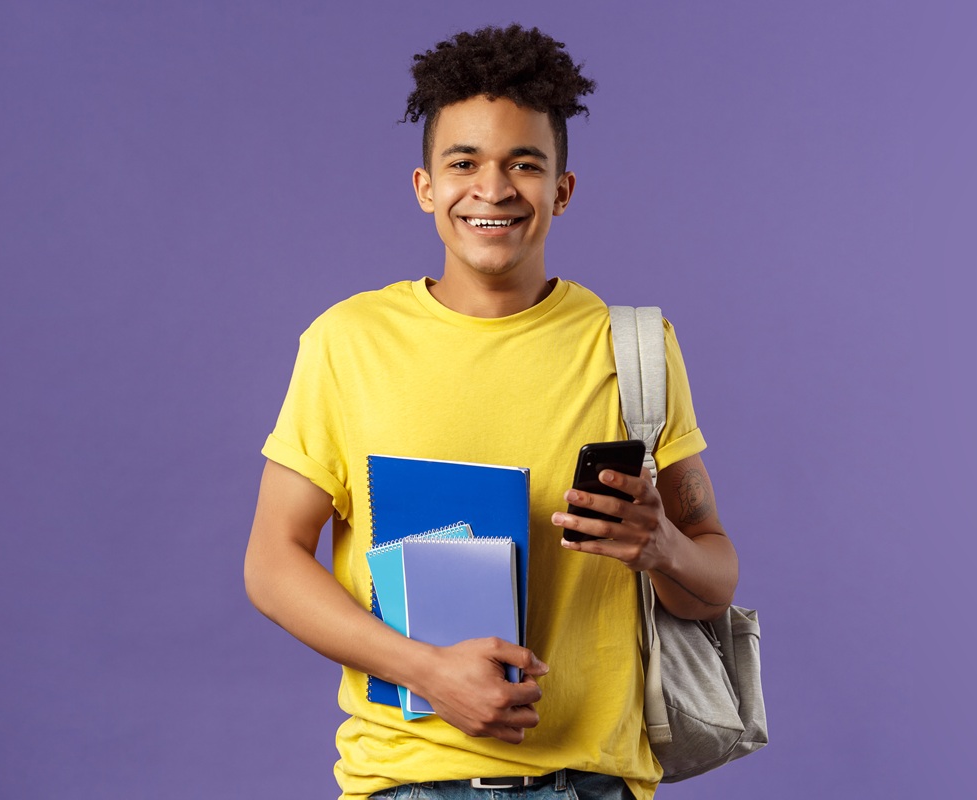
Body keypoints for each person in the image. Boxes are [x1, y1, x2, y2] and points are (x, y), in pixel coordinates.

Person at [244, 24, 739, 800]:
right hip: (405, 783)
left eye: (525, 164)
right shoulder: (348, 342)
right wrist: (428, 671)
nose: (494, 188)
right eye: (464, 162)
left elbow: (714, 579)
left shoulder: (635, 348)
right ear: (425, 187)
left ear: (562, 191)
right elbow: (271, 564)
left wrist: (662, 546)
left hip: (594, 785)